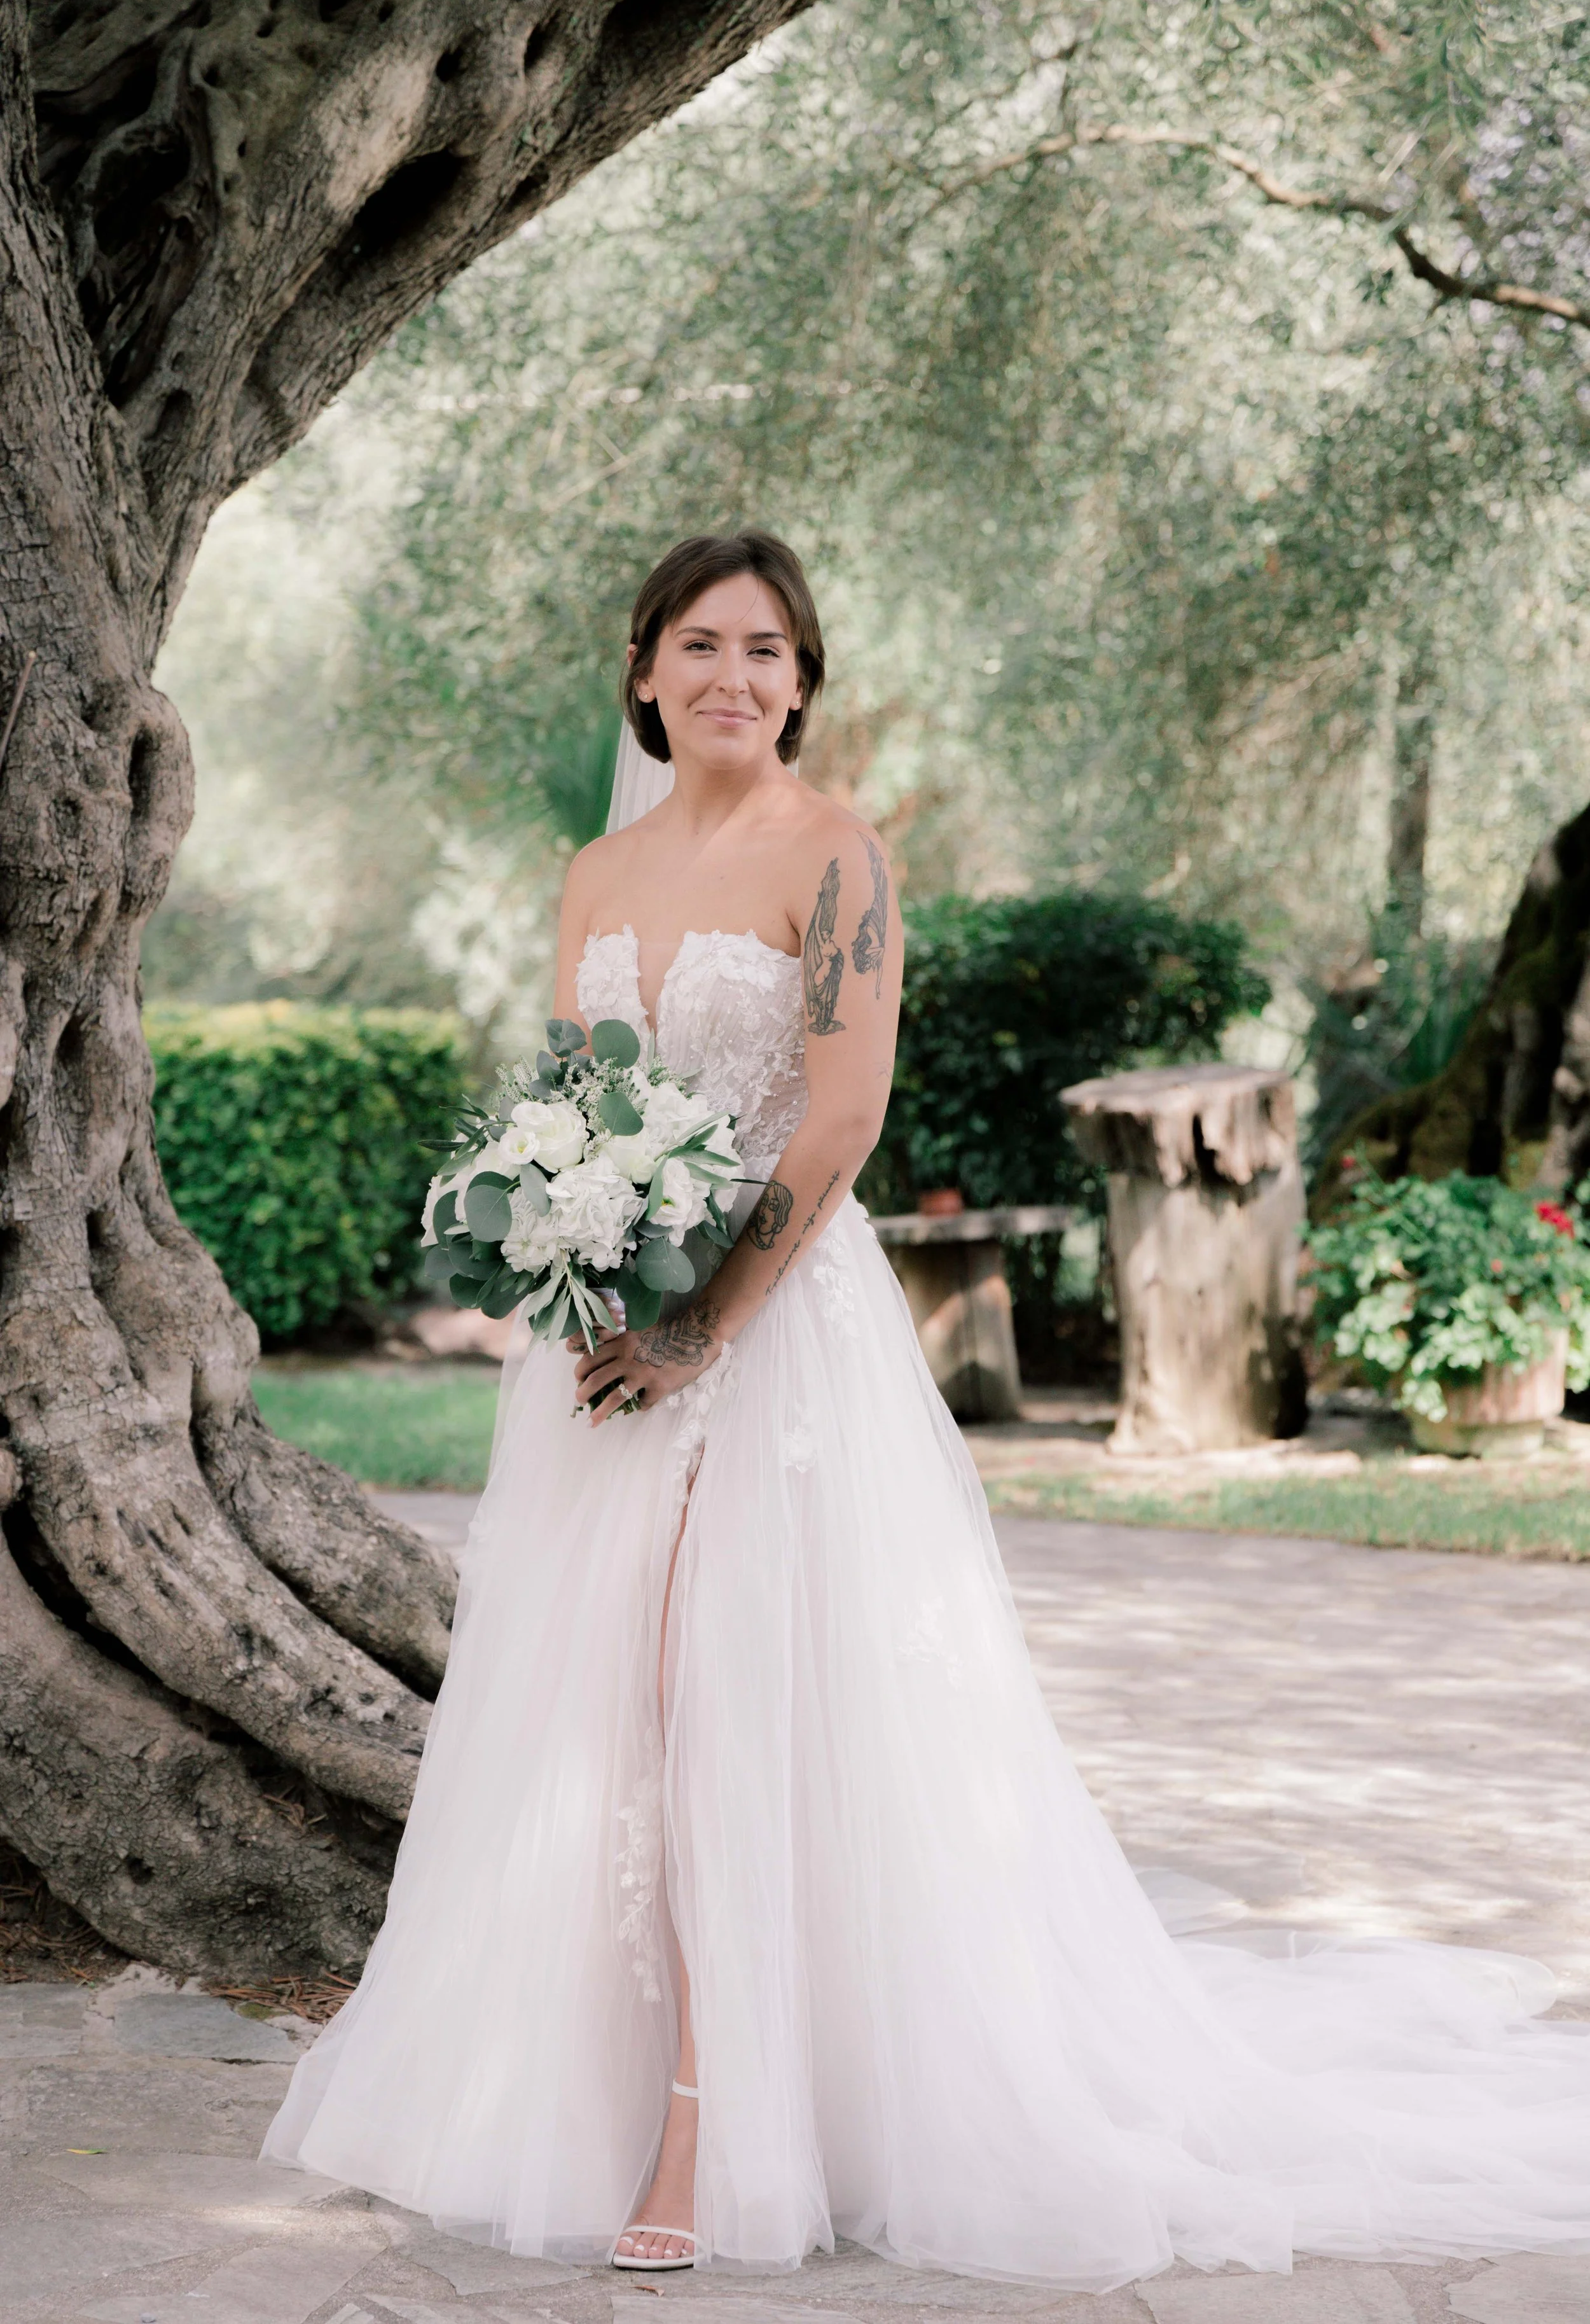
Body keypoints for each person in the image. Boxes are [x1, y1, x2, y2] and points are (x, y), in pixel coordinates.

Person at [264, 530, 1590, 2290]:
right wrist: (576, 1256)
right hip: (601, 1359)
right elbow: (581, 1101)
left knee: (725, 1706)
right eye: (697, 643)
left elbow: (835, 1120)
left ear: (801, 679)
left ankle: (703, 2119)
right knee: (601, 1721)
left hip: (772, 1345)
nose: (731, 673)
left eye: (765, 648)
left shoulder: (837, 855)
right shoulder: (592, 875)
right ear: (643, 672)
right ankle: (560, 2083)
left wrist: (702, 1328)